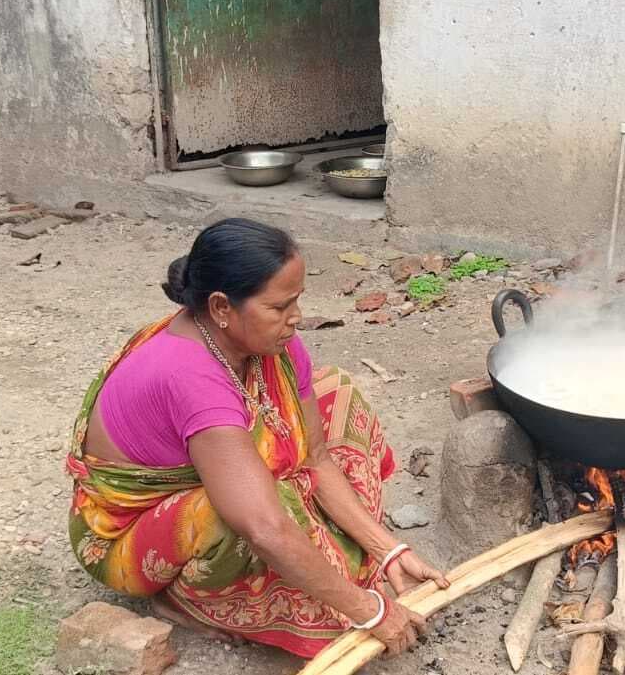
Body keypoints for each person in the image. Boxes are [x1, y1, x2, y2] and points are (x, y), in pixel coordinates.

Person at [65, 218, 449, 658]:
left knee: (337, 394)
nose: (296, 318)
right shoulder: (192, 379)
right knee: (270, 517)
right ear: (222, 307)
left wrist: (387, 549)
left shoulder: (267, 345)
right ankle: (179, 597)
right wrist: (367, 610)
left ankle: (336, 554)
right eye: (279, 306)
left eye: (296, 301)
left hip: (227, 473)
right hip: (125, 537)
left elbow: (317, 455)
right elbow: (264, 526)